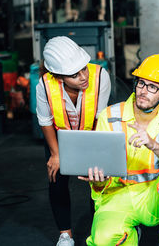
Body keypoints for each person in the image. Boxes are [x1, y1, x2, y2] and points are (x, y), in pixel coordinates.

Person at [79, 54, 159, 245]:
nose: (143, 91)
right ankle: (129, 235)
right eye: (141, 83)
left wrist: (153, 144)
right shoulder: (110, 116)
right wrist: (99, 180)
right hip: (117, 194)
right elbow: (102, 167)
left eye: (153, 87)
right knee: (102, 239)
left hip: (153, 197)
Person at [36, 36, 111, 246]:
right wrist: (56, 154)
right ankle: (65, 235)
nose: (83, 77)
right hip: (59, 137)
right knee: (56, 180)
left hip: (93, 133)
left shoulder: (100, 76)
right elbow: (45, 120)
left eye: (84, 69)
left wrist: (95, 155)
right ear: (58, 76)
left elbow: (100, 117)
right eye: (74, 75)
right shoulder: (44, 85)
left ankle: (100, 228)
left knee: (98, 181)